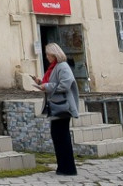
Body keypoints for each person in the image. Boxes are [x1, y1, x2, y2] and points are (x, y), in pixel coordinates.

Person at [34, 42, 79, 177]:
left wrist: (47, 86)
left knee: (62, 136)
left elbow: (65, 84)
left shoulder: (62, 66)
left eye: (48, 54)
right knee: (57, 135)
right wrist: (41, 83)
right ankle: (62, 166)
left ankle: (68, 168)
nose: (47, 57)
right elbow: (52, 83)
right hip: (56, 105)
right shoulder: (53, 67)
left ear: (55, 54)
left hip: (63, 106)